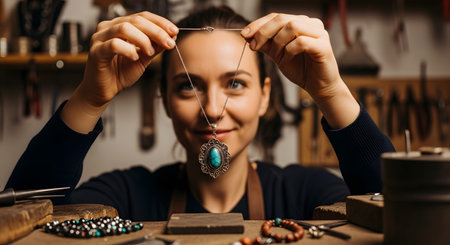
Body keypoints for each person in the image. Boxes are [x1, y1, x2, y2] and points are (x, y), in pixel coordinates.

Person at [6, 6, 395, 221]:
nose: (212, 110)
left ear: (265, 97)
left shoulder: (305, 194)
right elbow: (22, 215)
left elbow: (399, 214)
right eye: (188, 86)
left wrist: (331, 92)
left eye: (236, 84)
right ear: (164, 99)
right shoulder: (126, 196)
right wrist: (90, 98)